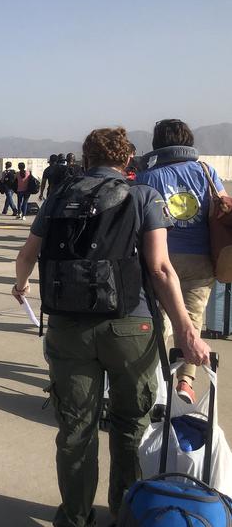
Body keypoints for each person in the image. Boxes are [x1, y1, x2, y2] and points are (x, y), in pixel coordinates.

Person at [13, 126, 211, 526]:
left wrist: (21, 285)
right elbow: (159, 268)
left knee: (76, 429)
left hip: (68, 328)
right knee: (129, 426)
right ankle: (126, 511)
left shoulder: (57, 199)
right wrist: (187, 329)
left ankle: (75, 516)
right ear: (126, 160)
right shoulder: (143, 196)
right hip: (131, 327)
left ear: (86, 159)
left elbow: (27, 254)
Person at [136, 118, 228, 403]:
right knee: (193, 319)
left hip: (161, 258)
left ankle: (154, 379)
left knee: (160, 320)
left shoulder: (148, 177)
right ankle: (185, 382)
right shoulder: (205, 170)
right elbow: (223, 206)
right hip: (200, 259)